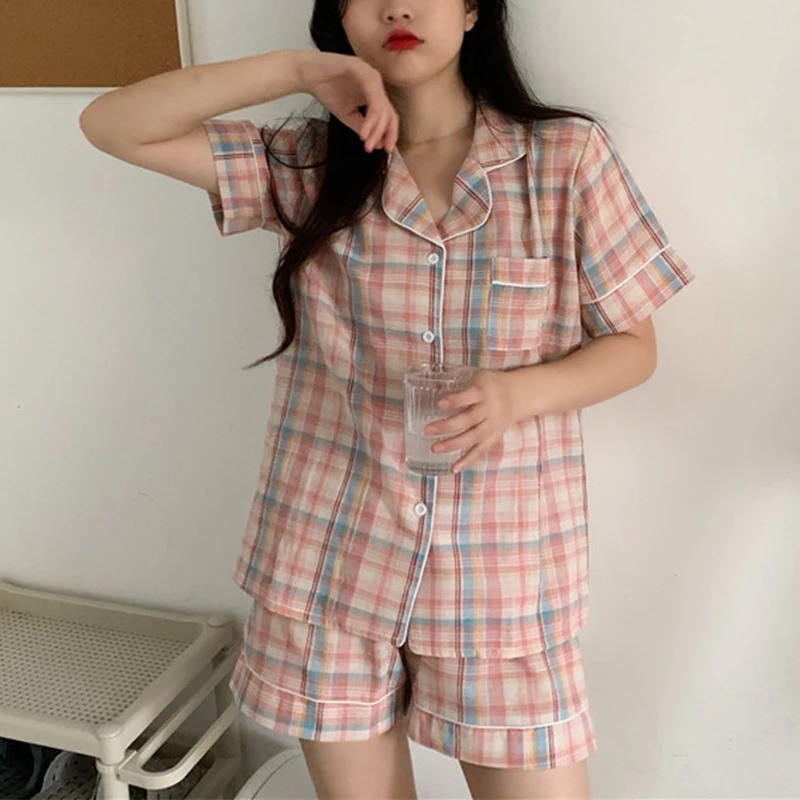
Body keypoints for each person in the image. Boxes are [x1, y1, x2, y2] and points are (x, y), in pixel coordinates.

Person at [79, 1, 696, 797]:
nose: (397, 6)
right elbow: (113, 125)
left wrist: (518, 395)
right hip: (329, 557)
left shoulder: (564, 158)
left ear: (471, 9)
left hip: (501, 571)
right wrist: (298, 70)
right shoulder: (309, 165)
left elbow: (634, 346)